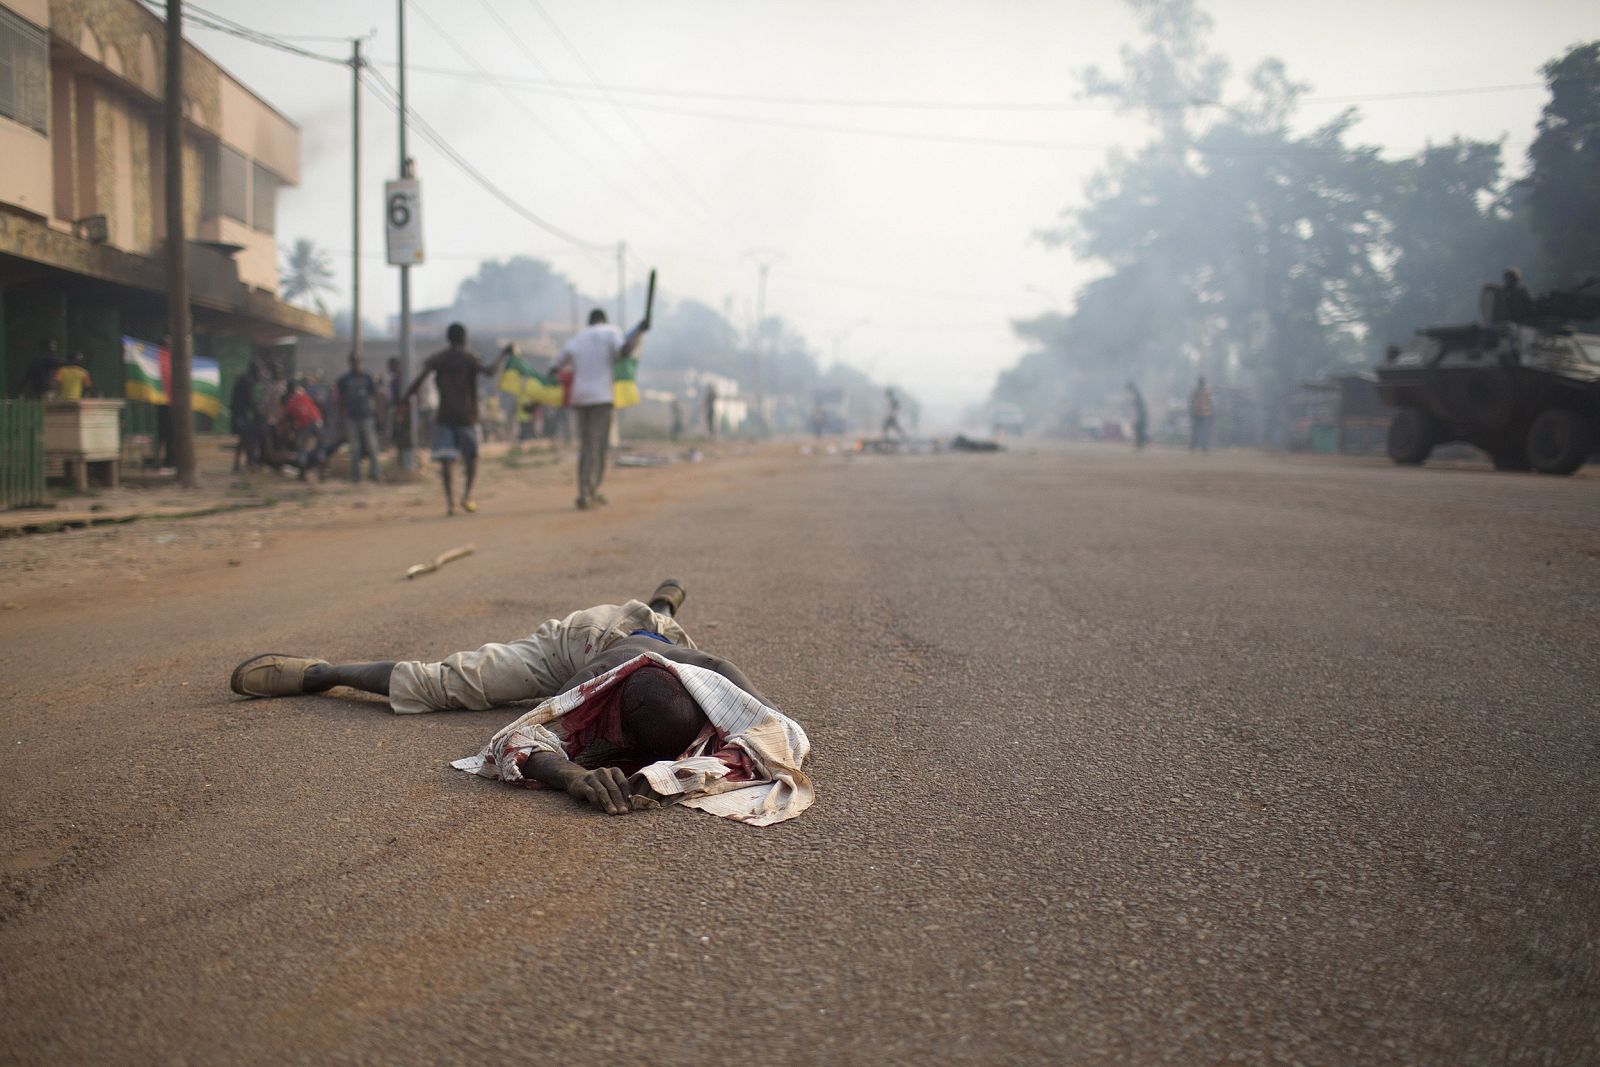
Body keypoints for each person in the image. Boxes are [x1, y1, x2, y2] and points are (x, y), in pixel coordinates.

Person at [227, 580, 813, 825]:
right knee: (449, 685)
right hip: (583, 643)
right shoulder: (589, 686)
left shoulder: (708, 675)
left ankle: (662, 603)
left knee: (660, 622)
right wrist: (566, 777)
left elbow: (783, 736)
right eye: (627, 738)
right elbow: (515, 739)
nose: (625, 752)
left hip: (663, 644)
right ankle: (323, 673)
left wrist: (689, 769)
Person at [403, 323, 511, 516]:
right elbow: (490, 372)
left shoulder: (439, 358)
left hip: (445, 416)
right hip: (467, 417)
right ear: (464, 338)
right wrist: (503, 354)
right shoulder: (469, 357)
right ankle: (467, 495)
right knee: (472, 458)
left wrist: (403, 401)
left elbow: (418, 381)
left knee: (447, 461)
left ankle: (450, 503)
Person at [552, 309, 648, 510]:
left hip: (580, 398)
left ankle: (585, 490)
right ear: (604, 320)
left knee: (586, 445)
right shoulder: (611, 332)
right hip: (602, 398)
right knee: (598, 446)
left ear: (589, 322)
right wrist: (640, 333)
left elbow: (555, 366)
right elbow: (624, 352)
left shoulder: (578, 338)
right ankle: (589, 491)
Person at [337, 352, 382, 483]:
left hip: (366, 416)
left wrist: (378, 414)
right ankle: (356, 475)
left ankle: (376, 473)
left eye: (358, 361)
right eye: (353, 361)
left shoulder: (367, 377)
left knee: (372, 445)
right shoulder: (344, 379)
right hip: (351, 417)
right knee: (355, 447)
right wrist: (341, 418)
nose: (356, 364)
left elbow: (375, 396)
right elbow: (341, 400)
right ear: (350, 362)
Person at [283, 379, 325, 480]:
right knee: (320, 446)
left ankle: (302, 473)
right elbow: (316, 404)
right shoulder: (305, 396)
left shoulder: (291, 402)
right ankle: (321, 470)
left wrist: (291, 430)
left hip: (304, 425)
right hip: (317, 421)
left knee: (302, 448)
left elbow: (288, 417)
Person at [230, 362, 262, 472]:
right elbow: (248, 400)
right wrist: (256, 410)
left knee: (244, 439)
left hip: (240, 413)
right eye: (258, 371)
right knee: (247, 438)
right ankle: (249, 463)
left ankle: (241, 463)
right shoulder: (247, 381)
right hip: (240, 414)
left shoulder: (246, 380)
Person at [1189, 376, 1214, 453]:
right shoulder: (1202, 392)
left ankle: (1199, 447)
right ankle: (1197, 447)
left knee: (1199, 431)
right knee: (1200, 431)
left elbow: (1209, 403)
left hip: (1201, 414)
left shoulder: (1200, 392)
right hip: (1201, 414)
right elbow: (1209, 403)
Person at [1126, 381, 1149, 449]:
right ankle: (1139, 444)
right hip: (1137, 415)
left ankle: (1140, 444)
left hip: (1139, 415)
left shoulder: (1136, 394)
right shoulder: (1136, 394)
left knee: (1138, 430)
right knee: (1137, 430)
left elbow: (1137, 406)